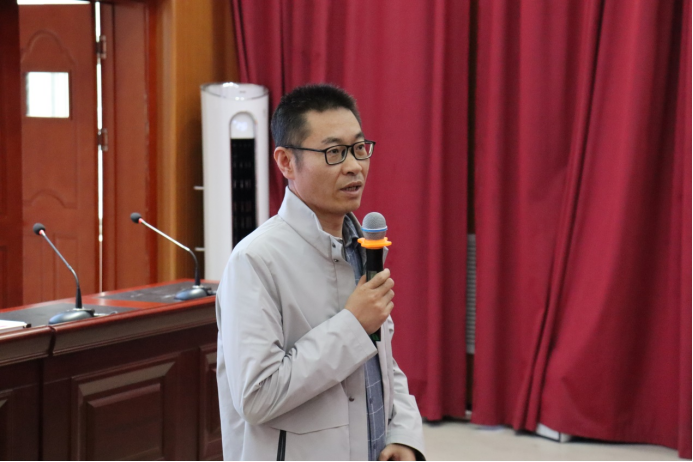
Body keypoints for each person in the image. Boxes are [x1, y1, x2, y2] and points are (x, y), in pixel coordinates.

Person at [216, 83, 425, 461]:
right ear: (286, 162)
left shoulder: (362, 247)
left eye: (359, 148)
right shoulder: (255, 261)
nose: (354, 166)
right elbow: (257, 396)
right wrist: (353, 325)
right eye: (334, 152)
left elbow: (382, 360)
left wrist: (403, 434)